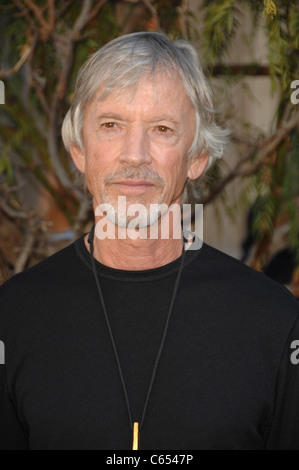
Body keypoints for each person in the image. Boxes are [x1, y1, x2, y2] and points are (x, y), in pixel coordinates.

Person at [0, 32, 298, 451]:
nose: (135, 154)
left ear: (197, 158)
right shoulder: (12, 319)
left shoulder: (276, 323)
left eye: (161, 128)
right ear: (78, 150)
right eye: (111, 125)